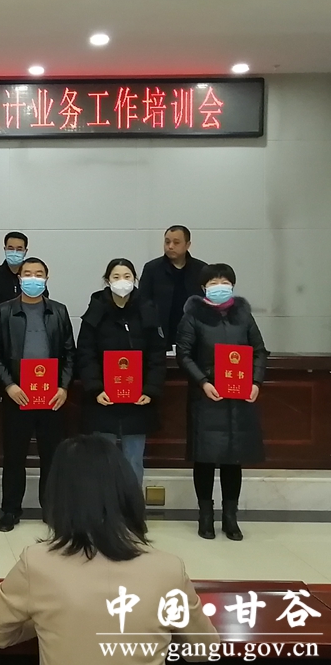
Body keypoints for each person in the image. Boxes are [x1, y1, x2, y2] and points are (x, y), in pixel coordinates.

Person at [0, 435, 219, 664]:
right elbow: (205, 649)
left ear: (59, 497)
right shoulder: (168, 569)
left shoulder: (36, 563)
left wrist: (41, 619)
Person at [176, 263, 268, 542]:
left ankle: (230, 518)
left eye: (225, 281)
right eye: (214, 282)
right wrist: (203, 382)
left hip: (238, 398)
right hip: (207, 396)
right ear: (204, 287)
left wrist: (256, 382)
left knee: (233, 459)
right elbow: (184, 354)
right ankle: (205, 516)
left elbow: (259, 351)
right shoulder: (193, 316)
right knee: (204, 458)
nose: (220, 286)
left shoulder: (243, 315)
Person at [0, 257, 75, 532]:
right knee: (14, 457)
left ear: (47, 278)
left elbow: (70, 353)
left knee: (52, 456)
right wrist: (9, 386)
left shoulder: (59, 311)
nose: (33, 279)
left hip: (51, 397)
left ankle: (51, 509)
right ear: (19, 278)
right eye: (28, 274)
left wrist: (63, 387)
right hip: (18, 395)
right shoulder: (3, 311)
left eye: (39, 274)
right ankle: (10, 510)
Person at [76, 258, 167, 484]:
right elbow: (85, 353)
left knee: (133, 460)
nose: (122, 281)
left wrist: (150, 389)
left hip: (138, 401)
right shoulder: (96, 311)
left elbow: (157, 354)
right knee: (102, 460)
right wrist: (95, 388)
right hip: (103, 400)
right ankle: (103, 504)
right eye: (116, 277)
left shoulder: (147, 309)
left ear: (135, 280)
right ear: (107, 280)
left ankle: (132, 504)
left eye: (127, 277)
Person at [140, 226, 208, 348]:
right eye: (167, 242)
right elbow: (143, 300)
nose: (170, 246)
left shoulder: (201, 269)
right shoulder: (152, 268)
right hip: (160, 333)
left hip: (193, 332)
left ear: (187, 245)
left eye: (176, 243)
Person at [0, 231, 47, 337]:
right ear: (5, 249)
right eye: (10, 248)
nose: (14, 252)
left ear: (25, 251)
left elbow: (44, 305)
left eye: (19, 249)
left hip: (30, 331)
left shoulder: (33, 278)